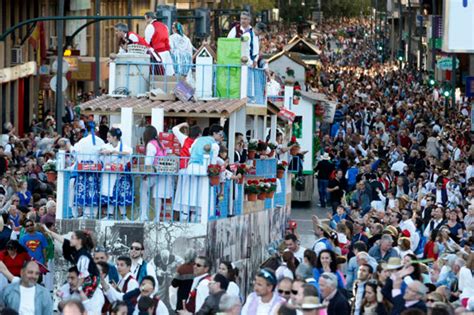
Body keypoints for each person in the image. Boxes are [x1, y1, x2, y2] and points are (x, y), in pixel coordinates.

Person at [173, 124, 224, 222]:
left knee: (188, 195)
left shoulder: (198, 140)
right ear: (214, 133)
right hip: (202, 170)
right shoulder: (214, 145)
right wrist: (214, 174)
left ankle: (184, 218)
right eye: (221, 134)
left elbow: (191, 150)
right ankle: (197, 220)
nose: (222, 136)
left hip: (190, 168)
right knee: (200, 197)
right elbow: (212, 164)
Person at [72, 121, 105, 218]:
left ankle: (86, 214)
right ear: (95, 129)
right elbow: (103, 157)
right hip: (96, 170)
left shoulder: (82, 141)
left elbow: (75, 154)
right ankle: (94, 214)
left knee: (85, 191)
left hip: (84, 170)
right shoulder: (100, 141)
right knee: (94, 191)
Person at [139, 125, 173, 222]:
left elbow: (149, 161)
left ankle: (143, 215)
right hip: (162, 173)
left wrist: (145, 173)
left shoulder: (150, 144)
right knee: (157, 195)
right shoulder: (161, 143)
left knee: (143, 191)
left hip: (153, 173)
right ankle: (157, 218)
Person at [100, 127, 133, 220]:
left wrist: (113, 152)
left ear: (115, 137)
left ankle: (124, 215)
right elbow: (100, 151)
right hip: (109, 174)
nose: (108, 139)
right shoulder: (106, 146)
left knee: (121, 195)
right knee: (111, 195)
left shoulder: (125, 147)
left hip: (120, 174)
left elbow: (127, 153)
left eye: (109, 137)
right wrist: (105, 152)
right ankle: (109, 215)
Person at [144, 12, 175, 76]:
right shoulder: (164, 26)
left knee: (159, 75)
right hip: (166, 53)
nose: (145, 21)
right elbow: (167, 40)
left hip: (157, 53)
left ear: (149, 18)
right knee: (169, 74)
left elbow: (147, 43)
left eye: (146, 19)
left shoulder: (150, 26)